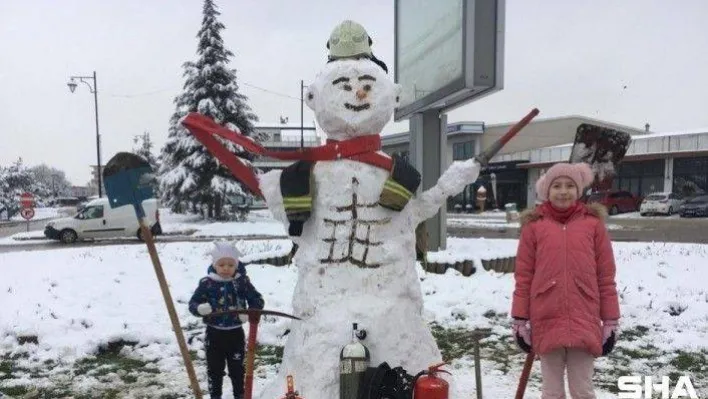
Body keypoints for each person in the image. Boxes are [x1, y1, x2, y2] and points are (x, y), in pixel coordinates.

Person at [511, 162, 621, 398]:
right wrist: (520, 319)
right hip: (546, 317)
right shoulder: (534, 227)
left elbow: (605, 277)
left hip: (584, 315)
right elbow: (524, 277)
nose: (563, 191)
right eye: (557, 186)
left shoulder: (593, 226)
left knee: (582, 389)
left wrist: (610, 321)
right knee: (551, 391)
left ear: (579, 190)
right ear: (546, 191)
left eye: (570, 185)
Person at [189, 242, 265, 399]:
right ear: (214, 264)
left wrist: (249, 312)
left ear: (236, 265)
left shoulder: (241, 282)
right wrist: (199, 309)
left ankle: (240, 395)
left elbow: (257, 300)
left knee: (237, 370)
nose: (226, 268)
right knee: (215, 371)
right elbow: (193, 304)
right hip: (214, 335)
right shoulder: (207, 283)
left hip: (235, 334)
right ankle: (215, 396)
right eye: (221, 264)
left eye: (230, 264)